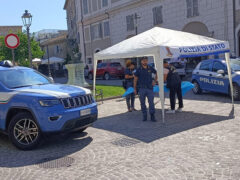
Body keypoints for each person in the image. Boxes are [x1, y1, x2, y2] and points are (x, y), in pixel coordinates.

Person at [134, 57, 157, 121]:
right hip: (141, 89)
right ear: (141, 62)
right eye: (144, 61)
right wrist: (135, 88)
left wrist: (155, 81)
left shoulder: (150, 68)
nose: (145, 62)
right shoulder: (138, 69)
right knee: (142, 103)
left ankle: (152, 116)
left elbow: (156, 73)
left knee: (151, 103)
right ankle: (144, 115)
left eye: (146, 61)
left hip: (149, 88)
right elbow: (135, 79)